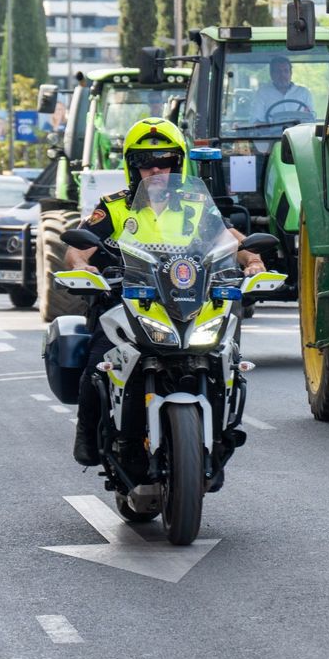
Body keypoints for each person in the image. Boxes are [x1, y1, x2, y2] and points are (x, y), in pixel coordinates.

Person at [62, 117, 266, 467]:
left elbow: (230, 239)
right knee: (97, 363)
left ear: (179, 163)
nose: (156, 170)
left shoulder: (196, 205)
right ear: (131, 166)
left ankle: (222, 428)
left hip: (188, 300)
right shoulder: (114, 206)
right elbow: (79, 248)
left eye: (166, 161)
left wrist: (253, 261)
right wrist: (82, 266)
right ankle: (88, 433)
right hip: (126, 302)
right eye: (145, 162)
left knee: (226, 356)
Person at [248, 55, 315, 123]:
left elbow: (310, 118)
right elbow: (256, 119)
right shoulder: (262, 93)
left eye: (286, 71)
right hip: (271, 133)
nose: (282, 75)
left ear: (291, 73)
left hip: (297, 132)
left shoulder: (303, 93)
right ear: (271, 74)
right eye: (278, 71)